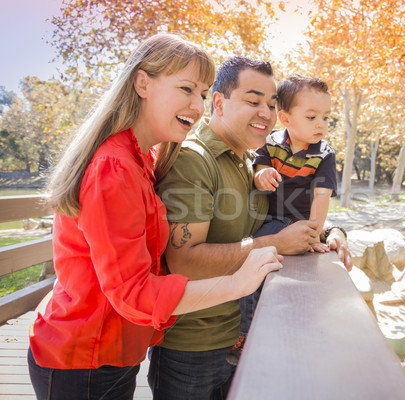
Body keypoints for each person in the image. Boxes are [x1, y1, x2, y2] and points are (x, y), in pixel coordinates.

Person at [27, 34, 282, 400]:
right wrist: (239, 283)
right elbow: (132, 292)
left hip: (116, 351)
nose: (197, 106)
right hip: (83, 356)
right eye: (186, 89)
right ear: (142, 83)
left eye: (202, 92)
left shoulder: (141, 159)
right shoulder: (114, 166)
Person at [149, 56, 351, 400]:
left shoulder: (250, 161)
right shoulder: (193, 160)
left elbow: (286, 210)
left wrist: (332, 232)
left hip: (245, 340)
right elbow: (184, 261)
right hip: (194, 349)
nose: (266, 113)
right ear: (218, 102)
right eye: (252, 101)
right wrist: (276, 243)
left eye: (271, 105)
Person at [226, 73, 338, 365]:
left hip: (295, 222)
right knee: (257, 273)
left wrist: (314, 232)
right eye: (312, 116)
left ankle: (273, 337)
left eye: (326, 117)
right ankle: (246, 332)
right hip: (268, 219)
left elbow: (321, 196)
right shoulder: (272, 142)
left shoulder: (323, 154)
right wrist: (261, 174)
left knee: (268, 269)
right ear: (286, 119)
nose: (321, 125)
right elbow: (261, 163)